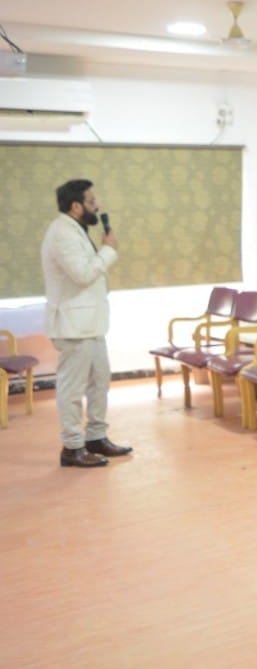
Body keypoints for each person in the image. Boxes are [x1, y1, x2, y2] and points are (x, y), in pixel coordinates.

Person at [41, 178, 132, 468]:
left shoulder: (75, 230)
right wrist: (108, 250)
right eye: (92, 201)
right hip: (73, 325)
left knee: (99, 381)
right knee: (72, 388)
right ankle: (72, 446)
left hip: (90, 323)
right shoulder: (62, 233)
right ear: (76, 206)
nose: (97, 206)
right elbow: (82, 275)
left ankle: (96, 437)